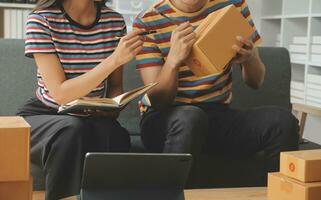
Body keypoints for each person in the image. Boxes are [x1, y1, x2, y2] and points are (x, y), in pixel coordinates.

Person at [133, 0, 299, 185]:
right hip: (165, 119)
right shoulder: (148, 21)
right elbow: (158, 100)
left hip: (217, 115)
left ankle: (271, 193)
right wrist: (173, 61)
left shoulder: (233, 6)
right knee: (190, 118)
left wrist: (250, 59)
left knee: (283, 122)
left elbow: (256, 81)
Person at [16, 0, 144, 199]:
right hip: (46, 113)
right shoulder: (41, 21)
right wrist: (115, 59)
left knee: (112, 134)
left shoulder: (113, 21)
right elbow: (60, 94)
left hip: (91, 115)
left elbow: (115, 86)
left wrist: (112, 105)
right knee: (70, 129)